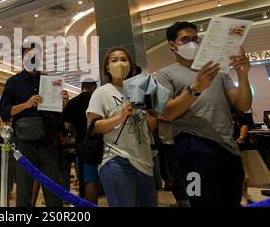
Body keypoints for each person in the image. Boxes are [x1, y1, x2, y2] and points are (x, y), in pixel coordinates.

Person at [155, 21, 252, 207]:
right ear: (172, 45)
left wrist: (242, 74)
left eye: (195, 39)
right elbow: (167, 112)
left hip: (227, 147)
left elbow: (243, 104)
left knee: (231, 200)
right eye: (185, 39)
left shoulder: (218, 71)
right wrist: (196, 87)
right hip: (192, 148)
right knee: (199, 200)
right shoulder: (164, 74)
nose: (192, 43)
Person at [86, 48, 157, 207]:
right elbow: (93, 127)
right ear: (107, 67)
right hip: (116, 159)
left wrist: (152, 115)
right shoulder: (101, 92)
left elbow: (149, 128)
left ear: (131, 65)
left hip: (144, 160)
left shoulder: (141, 90)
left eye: (124, 59)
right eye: (114, 60)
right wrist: (120, 116)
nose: (120, 63)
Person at [0, 45, 66, 207]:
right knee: (24, 190)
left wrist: (62, 103)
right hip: (24, 143)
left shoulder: (49, 81)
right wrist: (26, 104)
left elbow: (57, 114)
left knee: (54, 189)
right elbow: (4, 112)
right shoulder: (14, 82)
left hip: (48, 142)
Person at [63, 80, 100, 204]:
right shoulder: (98, 100)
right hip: (102, 142)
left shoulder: (73, 103)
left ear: (81, 87)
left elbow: (66, 127)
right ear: (94, 87)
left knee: (89, 180)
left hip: (82, 145)